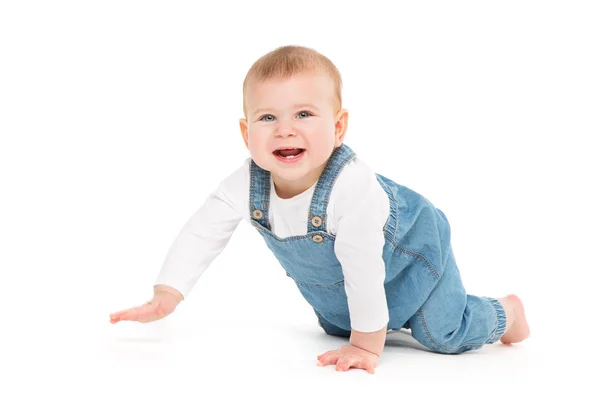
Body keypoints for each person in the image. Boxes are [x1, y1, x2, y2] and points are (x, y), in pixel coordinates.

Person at [109, 45, 530, 374]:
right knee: (336, 327)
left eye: (304, 114)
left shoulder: (352, 186)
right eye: (267, 116)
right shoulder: (247, 182)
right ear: (246, 132)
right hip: (346, 287)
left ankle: (505, 312)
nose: (285, 129)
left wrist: (367, 345)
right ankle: (377, 322)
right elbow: (203, 231)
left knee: (442, 332)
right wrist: (167, 292)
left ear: (338, 126)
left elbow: (363, 265)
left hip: (413, 256)